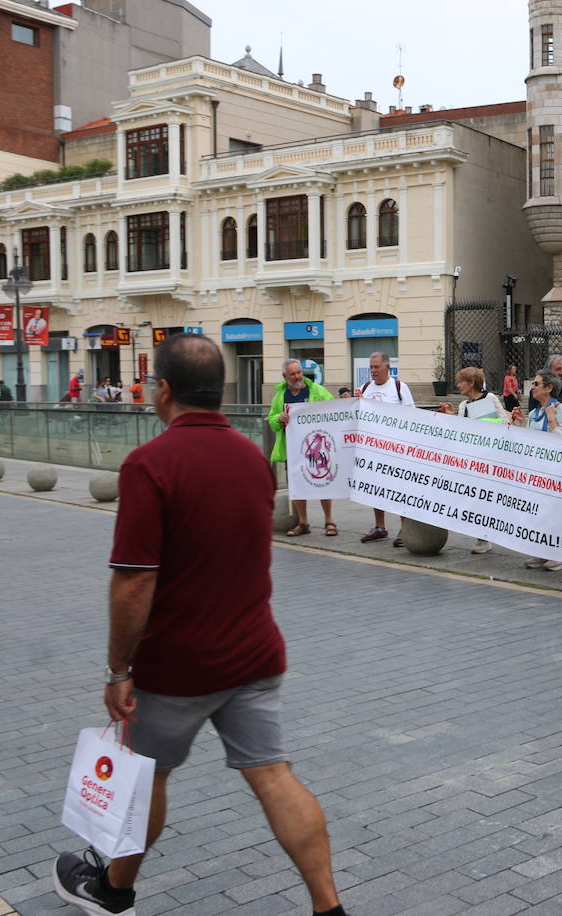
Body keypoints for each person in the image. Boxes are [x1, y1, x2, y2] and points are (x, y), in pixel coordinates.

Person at [52, 334, 345, 916]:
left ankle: (114, 890)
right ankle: (328, 907)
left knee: (147, 778)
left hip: (177, 667)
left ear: (163, 390)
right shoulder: (252, 461)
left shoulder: (149, 464)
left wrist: (118, 668)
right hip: (256, 655)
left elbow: (134, 581)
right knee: (274, 777)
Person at [268, 359, 336, 537]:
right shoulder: (280, 396)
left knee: (323, 482)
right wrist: (278, 418)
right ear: (285, 376)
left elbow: (334, 409)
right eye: (293, 374)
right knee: (297, 485)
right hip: (294, 449)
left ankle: (329, 521)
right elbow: (271, 420)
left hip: (317, 447)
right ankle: (303, 522)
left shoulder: (316, 390)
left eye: (299, 372)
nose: (298, 376)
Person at [513, 369, 562, 571]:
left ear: (549, 388)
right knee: (540, 513)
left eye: (537, 384)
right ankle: (541, 551)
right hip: (537, 470)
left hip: (556, 471)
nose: (533, 387)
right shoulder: (533, 413)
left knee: (556, 513)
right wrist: (520, 422)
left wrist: (552, 418)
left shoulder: (560, 408)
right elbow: (530, 441)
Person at [355, 351, 415, 545]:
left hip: (396, 450)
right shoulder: (364, 388)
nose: (373, 371)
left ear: (387, 367)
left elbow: (411, 417)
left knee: (399, 489)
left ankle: (405, 530)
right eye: (371, 367)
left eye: (376, 367)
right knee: (375, 487)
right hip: (372, 450)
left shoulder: (399, 387)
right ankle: (380, 527)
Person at [448, 366, 508, 554]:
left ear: (471, 382)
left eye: (461, 382)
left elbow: (504, 423)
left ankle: (488, 536)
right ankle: (482, 538)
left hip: (489, 460)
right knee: (476, 500)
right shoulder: (463, 406)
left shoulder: (489, 399)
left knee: (488, 501)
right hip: (472, 461)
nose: (458, 385)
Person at [529, 356, 562, 435]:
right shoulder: (535, 393)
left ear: (549, 388)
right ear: (549, 371)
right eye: (558, 369)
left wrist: (561, 412)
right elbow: (533, 418)